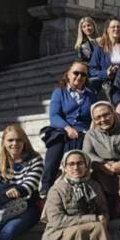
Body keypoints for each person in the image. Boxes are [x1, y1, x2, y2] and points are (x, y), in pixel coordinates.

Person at [0, 125, 44, 240]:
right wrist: (11, 191)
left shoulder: (35, 160)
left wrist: (1, 195)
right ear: (3, 142)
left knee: (8, 231)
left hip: (27, 207)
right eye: (10, 140)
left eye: (19, 140)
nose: (15, 143)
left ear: (24, 141)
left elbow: (27, 187)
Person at [40, 61, 96, 197]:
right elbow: (54, 115)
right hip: (61, 130)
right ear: (68, 75)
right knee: (56, 145)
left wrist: (91, 131)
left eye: (83, 74)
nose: (79, 77)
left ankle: (81, 187)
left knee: (82, 149)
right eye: (76, 73)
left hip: (83, 132)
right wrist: (68, 128)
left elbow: (95, 116)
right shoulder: (59, 92)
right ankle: (46, 185)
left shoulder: (91, 95)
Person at [41, 150, 112, 240]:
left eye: (80, 163)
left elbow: (102, 209)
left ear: (86, 165)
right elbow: (57, 221)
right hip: (59, 234)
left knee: (97, 227)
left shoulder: (93, 186)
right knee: (82, 230)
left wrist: (104, 217)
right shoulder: (56, 190)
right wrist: (92, 218)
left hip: (87, 229)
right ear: (64, 167)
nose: (76, 167)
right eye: (71, 164)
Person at [83, 101, 120, 218]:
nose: (103, 119)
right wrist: (102, 164)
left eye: (106, 115)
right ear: (94, 119)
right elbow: (87, 154)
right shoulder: (90, 135)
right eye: (98, 117)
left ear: (113, 114)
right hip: (102, 168)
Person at [88, 18, 120, 94]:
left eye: (118, 27)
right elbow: (92, 70)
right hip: (107, 86)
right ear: (107, 30)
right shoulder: (99, 49)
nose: (116, 29)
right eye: (113, 27)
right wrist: (106, 73)